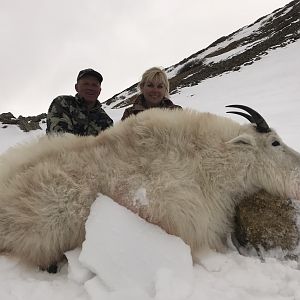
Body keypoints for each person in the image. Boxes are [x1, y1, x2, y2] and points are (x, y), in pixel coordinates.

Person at [46, 68, 113, 136]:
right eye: (86, 84)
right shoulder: (63, 103)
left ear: (99, 90)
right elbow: (59, 137)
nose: (90, 88)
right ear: (76, 87)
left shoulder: (106, 120)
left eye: (94, 85)